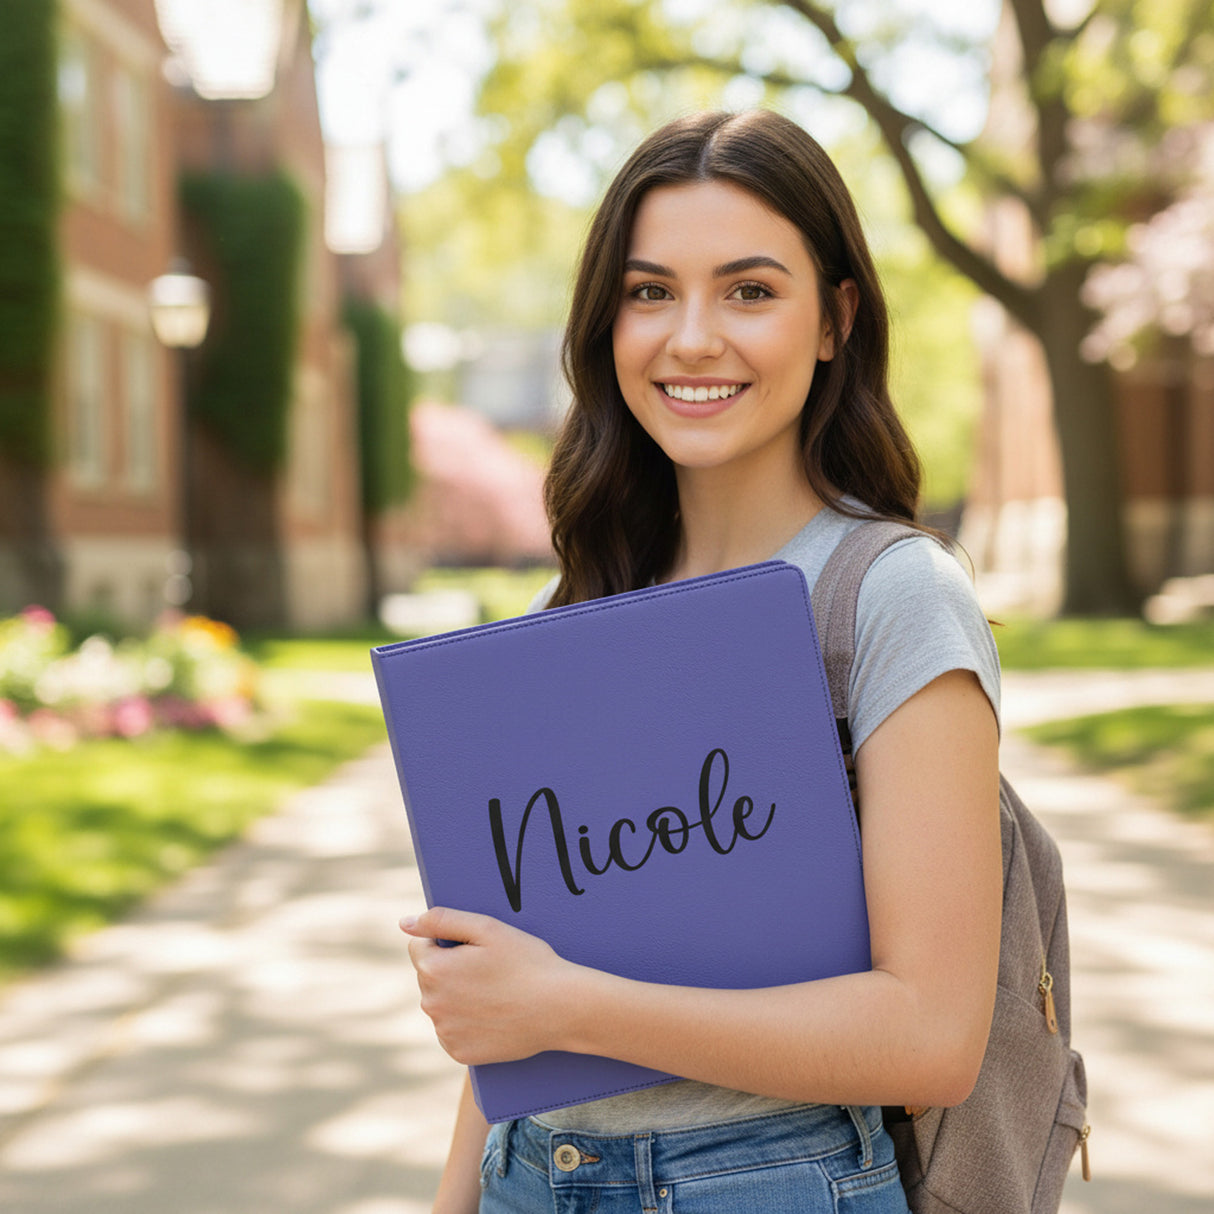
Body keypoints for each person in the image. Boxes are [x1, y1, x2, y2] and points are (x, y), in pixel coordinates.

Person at [401, 108, 1002, 1214]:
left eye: (749, 290)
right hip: (530, 1176)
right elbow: (516, 1020)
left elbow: (930, 1036)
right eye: (647, 291)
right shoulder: (568, 602)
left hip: (773, 1183)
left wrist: (564, 1005)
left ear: (834, 320)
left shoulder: (888, 597)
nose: (690, 337)